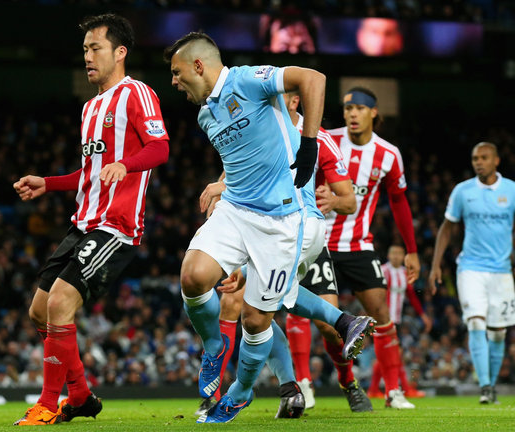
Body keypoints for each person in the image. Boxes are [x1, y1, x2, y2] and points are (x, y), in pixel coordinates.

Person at [165, 31, 348, 423]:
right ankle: (214, 345)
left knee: (255, 320)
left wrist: (310, 142)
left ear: (199, 65)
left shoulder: (248, 79)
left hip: (281, 221)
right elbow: (241, 160)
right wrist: (219, 187)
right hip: (235, 210)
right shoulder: (204, 114)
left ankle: (241, 392)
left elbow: (313, 78)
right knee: (193, 276)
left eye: (178, 73)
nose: (174, 82)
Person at [12, 13, 169, 426]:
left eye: (95, 47)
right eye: (84, 49)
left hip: (117, 226)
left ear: (120, 52)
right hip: (83, 222)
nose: (87, 55)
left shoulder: (138, 94)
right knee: (38, 311)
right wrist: (47, 183)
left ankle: (48, 402)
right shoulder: (90, 107)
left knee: (61, 303)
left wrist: (127, 164)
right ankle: (80, 394)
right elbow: (89, 173)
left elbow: (159, 148)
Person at [198, 89, 370, 413]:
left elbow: (349, 199)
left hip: (302, 233)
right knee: (249, 306)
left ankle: (348, 379)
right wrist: (221, 205)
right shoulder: (256, 126)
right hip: (263, 232)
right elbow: (236, 176)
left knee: (314, 324)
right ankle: (285, 388)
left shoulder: (316, 139)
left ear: (293, 101)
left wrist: (334, 200)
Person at [326, 87, 419, 409]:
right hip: (318, 244)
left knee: (381, 313)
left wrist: (412, 249)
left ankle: (393, 392)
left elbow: (399, 201)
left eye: (359, 108)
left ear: (373, 113)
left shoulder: (388, 154)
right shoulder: (326, 139)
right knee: (328, 326)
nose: (352, 113)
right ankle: (343, 382)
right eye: (347, 107)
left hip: (358, 245)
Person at [429, 142, 515, 404]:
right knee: (476, 323)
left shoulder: (511, 190)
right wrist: (435, 264)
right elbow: (447, 227)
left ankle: (491, 385)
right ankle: (486, 388)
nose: (478, 162)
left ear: (496, 161)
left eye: (484, 157)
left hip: (501, 272)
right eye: (475, 158)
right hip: (471, 269)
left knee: (499, 332)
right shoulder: (463, 191)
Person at [368, 244, 430, 399]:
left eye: (399, 254)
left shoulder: (404, 273)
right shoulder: (383, 271)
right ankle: (404, 389)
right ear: (388, 255)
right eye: (393, 253)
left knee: (392, 354)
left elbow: (411, 295)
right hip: (383, 319)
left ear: (404, 257)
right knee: (394, 353)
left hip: (397, 319)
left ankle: (375, 389)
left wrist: (422, 315)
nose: (396, 256)